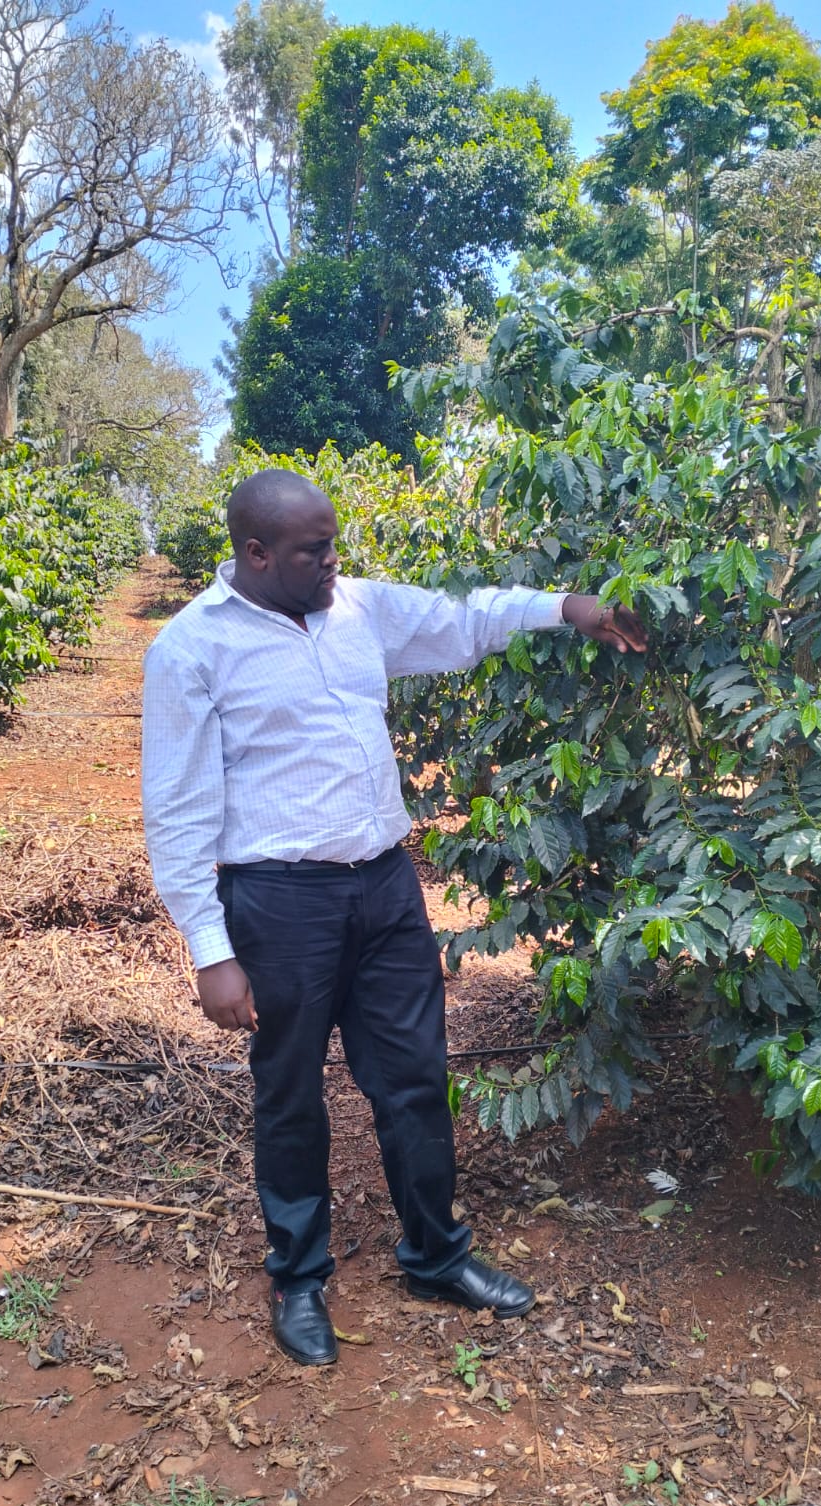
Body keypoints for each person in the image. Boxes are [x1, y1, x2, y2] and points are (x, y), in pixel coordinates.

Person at [141, 468, 647, 1366]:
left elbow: (463, 618)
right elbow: (176, 810)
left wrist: (567, 607)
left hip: (383, 888)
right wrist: (210, 948)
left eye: (334, 543)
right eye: (313, 550)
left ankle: (436, 1256)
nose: (333, 561)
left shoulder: (356, 609)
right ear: (256, 554)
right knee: (290, 1094)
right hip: (280, 902)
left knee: (414, 1077)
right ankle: (299, 1279)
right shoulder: (191, 649)